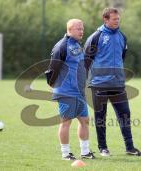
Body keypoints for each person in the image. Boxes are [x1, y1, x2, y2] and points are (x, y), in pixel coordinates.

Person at [84, 8, 141, 156]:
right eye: (114, 19)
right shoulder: (95, 37)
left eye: (118, 19)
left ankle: (130, 148)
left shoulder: (122, 37)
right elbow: (86, 62)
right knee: (101, 118)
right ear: (105, 20)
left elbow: (121, 57)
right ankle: (103, 148)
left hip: (118, 84)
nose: (117, 21)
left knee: (125, 115)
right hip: (99, 84)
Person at [46, 19, 95, 160]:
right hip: (66, 91)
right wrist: (54, 84)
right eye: (78, 28)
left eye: (82, 28)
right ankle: (65, 153)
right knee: (66, 121)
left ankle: (85, 152)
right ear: (70, 30)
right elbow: (53, 67)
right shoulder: (62, 46)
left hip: (79, 91)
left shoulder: (77, 45)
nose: (82, 31)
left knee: (84, 120)